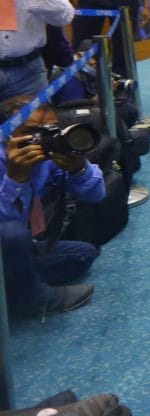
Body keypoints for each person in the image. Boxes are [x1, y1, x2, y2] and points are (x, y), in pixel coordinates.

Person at [0, 95, 103, 318]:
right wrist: (14, 180)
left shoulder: (46, 155)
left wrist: (79, 168)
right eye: (32, 130)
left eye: (49, 128)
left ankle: (13, 291)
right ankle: (35, 300)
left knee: (84, 253)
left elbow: (97, 195)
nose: (43, 137)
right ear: (6, 133)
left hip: (20, 247)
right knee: (11, 233)